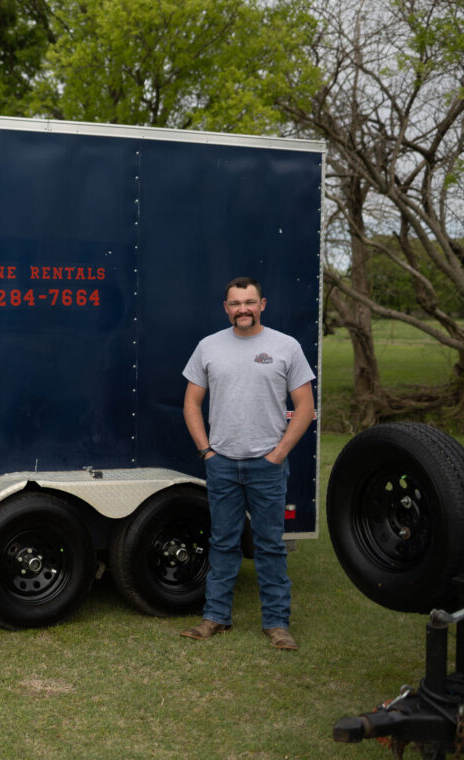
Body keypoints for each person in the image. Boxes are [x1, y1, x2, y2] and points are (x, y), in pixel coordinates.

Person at [180, 276, 315, 651]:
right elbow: (191, 403)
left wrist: (279, 453)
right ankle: (215, 618)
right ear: (226, 308)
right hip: (222, 463)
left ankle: (276, 624)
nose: (243, 309)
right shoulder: (209, 347)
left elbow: (305, 408)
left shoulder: (285, 346)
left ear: (262, 304)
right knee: (222, 543)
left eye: (250, 302)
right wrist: (207, 450)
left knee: (270, 545)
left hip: (267, 465)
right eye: (236, 303)